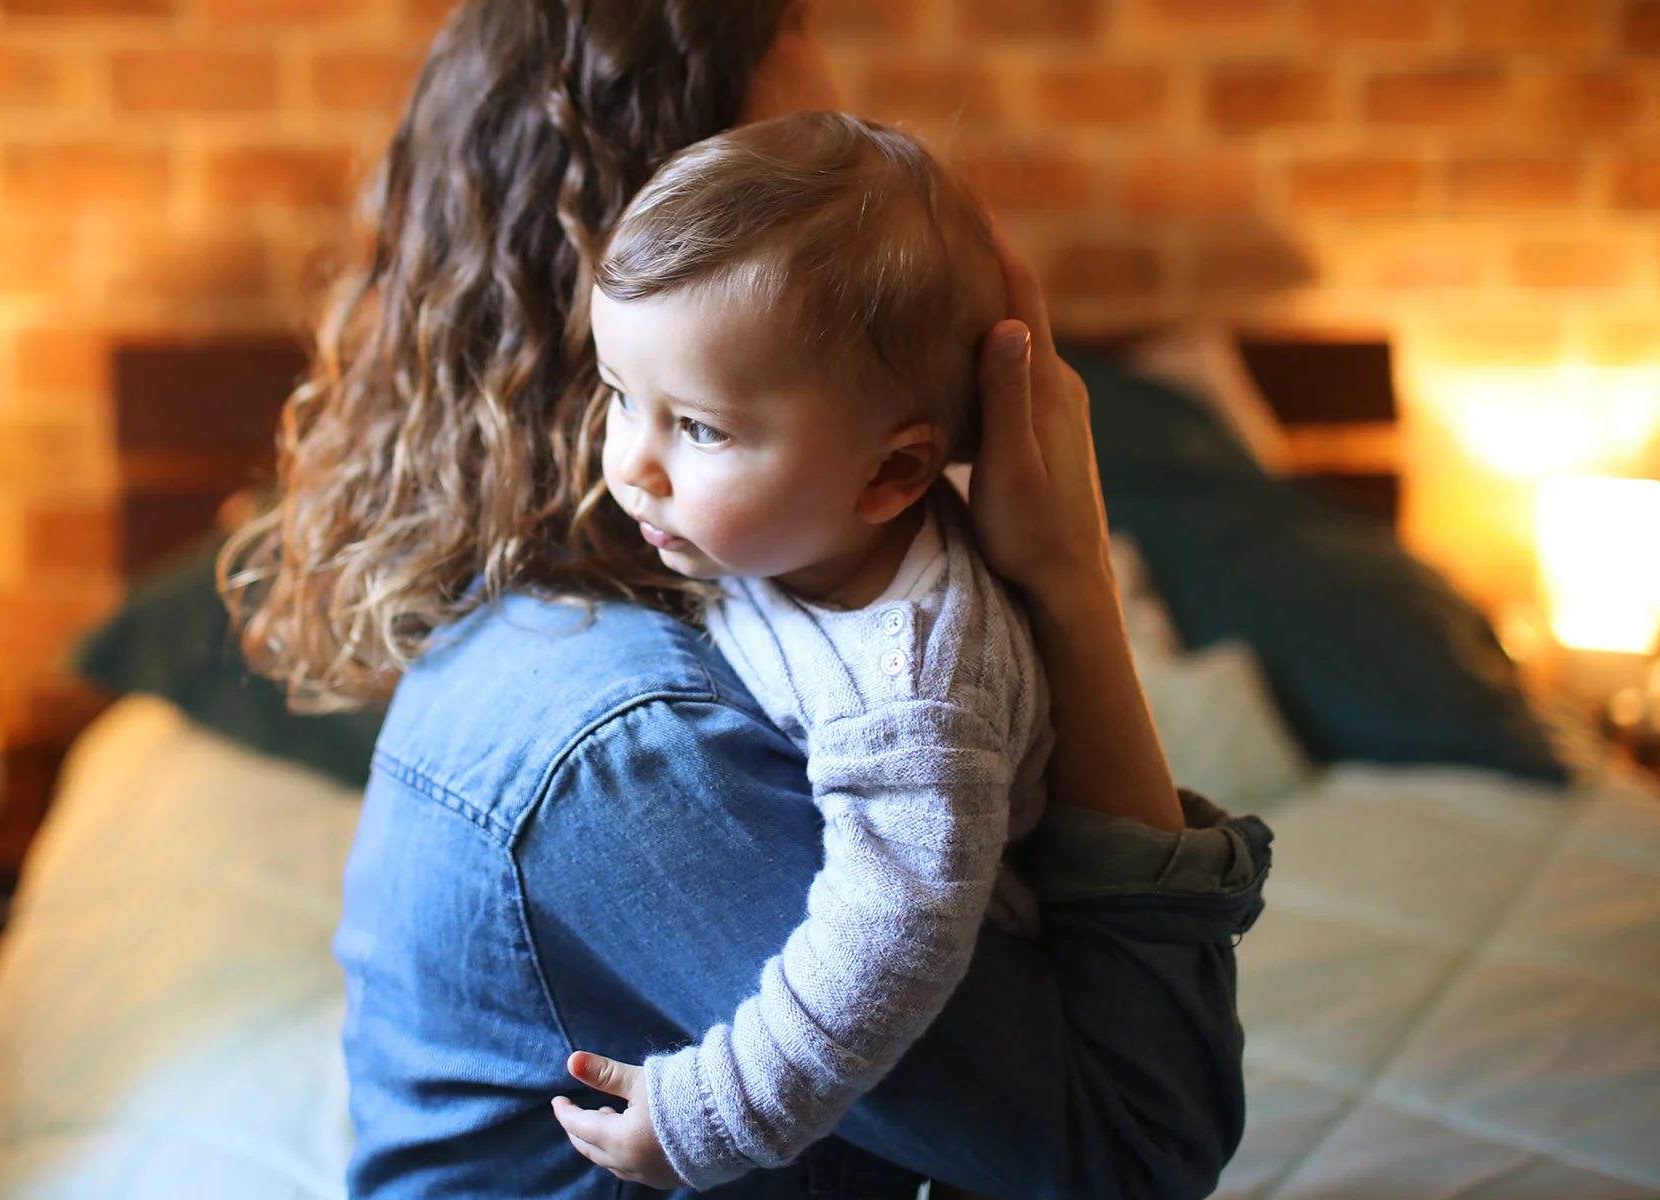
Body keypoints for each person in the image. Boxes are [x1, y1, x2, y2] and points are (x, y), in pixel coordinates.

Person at [223, 2, 1271, 1197]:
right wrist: (1073, 582)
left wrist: (1061, 577)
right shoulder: (640, 744)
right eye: (778, 167)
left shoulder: (674, 588)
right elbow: (1137, 1145)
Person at [548, 111, 1056, 1191]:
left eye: (699, 428)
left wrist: (709, 1114)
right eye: (620, 395)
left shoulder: (916, 694)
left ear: (890, 476)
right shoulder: (794, 522)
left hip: (972, 1077)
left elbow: (895, 938)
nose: (631, 464)